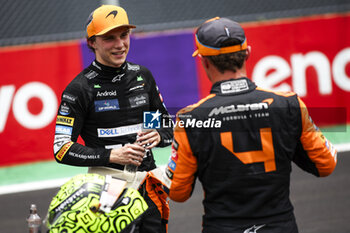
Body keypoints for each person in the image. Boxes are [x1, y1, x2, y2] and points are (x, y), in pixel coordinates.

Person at [166, 17, 337, 233]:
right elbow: (326, 165)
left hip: (223, 227)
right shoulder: (289, 104)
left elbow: (177, 192)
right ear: (247, 53)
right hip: (280, 226)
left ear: (204, 61)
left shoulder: (191, 118)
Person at [53, 5, 173, 233]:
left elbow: (166, 125)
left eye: (124, 35)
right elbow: (61, 148)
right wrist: (111, 155)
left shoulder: (142, 76)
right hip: (106, 189)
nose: (120, 44)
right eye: (109, 38)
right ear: (92, 42)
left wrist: (158, 134)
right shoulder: (79, 89)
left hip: (149, 186)